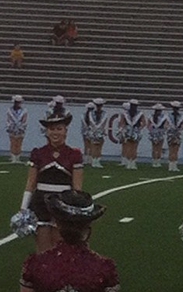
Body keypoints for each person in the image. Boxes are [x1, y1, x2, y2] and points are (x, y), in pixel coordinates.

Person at [19, 112, 83, 253]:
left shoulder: (74, 154)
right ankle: (40, 274)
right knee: (43, 248)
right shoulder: (38, 153)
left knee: (59, 247)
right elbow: (31, 183)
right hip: (40, 202)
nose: (55, 132)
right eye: (52, 129)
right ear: (46, 132)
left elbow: (77, 187)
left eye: (59, 129)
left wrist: (76, 210)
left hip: (62, 203)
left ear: (66, 131)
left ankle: (59, 275)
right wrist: (23, 209)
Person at [118, 99, 146, 170]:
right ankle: (133, 163)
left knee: (128, 147)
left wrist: (124, 129)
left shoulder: (125, 113)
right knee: (134, 148)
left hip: (128, 131)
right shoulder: (140, 113)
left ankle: (128, 163)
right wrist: (139, 128)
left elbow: (122, 123)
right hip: (135, 131)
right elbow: (144, 123)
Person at [7, 95, 28, 163]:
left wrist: (21, 126)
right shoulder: (10, 110)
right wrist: (11, 126)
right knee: (13, 142)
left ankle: (18, 157)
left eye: (20, 102)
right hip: (12, 128)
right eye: (17, 102)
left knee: (19, 143)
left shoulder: (24, 110)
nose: (19, 104)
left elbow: (24, 119)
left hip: (20, 128)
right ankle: (13, 158)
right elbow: (8, 119)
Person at [89, 98, 108, 168]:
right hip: (99, 131)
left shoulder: (91, 113)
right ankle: (96, 161)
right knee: (98, 147)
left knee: (95, 146)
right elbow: (104, 122)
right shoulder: (104, 113)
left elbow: (91, 122)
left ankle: (95, 161)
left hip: (93, 131)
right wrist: (99, 129)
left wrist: (95, 128)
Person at [147, 103, 168, 168]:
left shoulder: (151, 116)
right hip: (160, 132)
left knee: (154, 148)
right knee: (159, 148)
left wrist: (152, 131)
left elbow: (148, 125)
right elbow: (166, 126)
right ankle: (157, 162)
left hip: (154, 133)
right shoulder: (164, 117)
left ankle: (154, 161)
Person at [166, 101, 183, 172]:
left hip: (177, 134)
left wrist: (179, 129)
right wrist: (170, 129)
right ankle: (171, 165)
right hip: (171, 134)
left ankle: (174, 165)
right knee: (171, 150)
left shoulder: (181, 116)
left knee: (175, 150)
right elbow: (166, 125)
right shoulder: (168, 116)